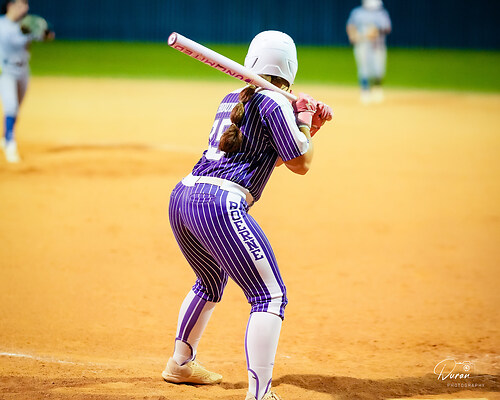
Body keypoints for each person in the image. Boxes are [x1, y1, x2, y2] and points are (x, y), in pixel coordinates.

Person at [162, 31, 333, 400]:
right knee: (270, 296)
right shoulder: (276, 102)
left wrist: (308, 125)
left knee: (210, 282)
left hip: (184, 197)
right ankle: (260, 394)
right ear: (291, 68)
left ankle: (180, 364)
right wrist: (303, 121)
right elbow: (301, 164)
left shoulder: (233, 98)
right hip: (219, 204)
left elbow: (280, 153)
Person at [0, 0, 53, 163]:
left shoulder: (26, 24)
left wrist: (45, 33)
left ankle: (5, 137)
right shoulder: (2, 25)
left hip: (23, 71)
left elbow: (46, 37)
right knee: (11, 106)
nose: (26, 8)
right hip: (5, 71)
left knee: (16, 109)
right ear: (11, 5)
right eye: (22, 4)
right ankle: (10, 145)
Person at [346, 0, 391, 104]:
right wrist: (353, 35)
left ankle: (377, 90)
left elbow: (386, 27)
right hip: (362, 45)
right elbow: (351, 25)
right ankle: (365, 90)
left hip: (377, 45)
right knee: (363, 67)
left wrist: (375, 31)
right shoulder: (357, 13)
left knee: (378, 68)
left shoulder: (381, 13)